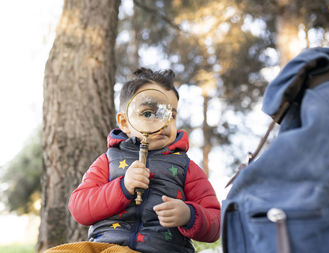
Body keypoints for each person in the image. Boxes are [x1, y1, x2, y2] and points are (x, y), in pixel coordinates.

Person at [45, 68, 221, 253]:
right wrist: (122, 187)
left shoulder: (186, 167)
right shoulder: (108, 161)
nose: (164, 121)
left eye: (171, 115)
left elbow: (215, 224)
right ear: (124, 123)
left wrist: (189, 215)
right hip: (102, 246)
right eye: (148, 113)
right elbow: (79, 208)